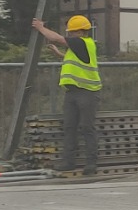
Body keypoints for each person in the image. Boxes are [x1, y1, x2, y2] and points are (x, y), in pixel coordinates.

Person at [32, 12, 102, 175]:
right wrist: (59, 55)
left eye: (72, 32)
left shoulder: (83, 42)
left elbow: (57, 38)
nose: (69, 34)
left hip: (87, 92)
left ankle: (91, 164)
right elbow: (76, 60)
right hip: (72, 92)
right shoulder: (80, 46)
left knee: (87, 127)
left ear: (80, 31)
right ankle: (68, 162)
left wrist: (40, 27)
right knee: (70, 127)